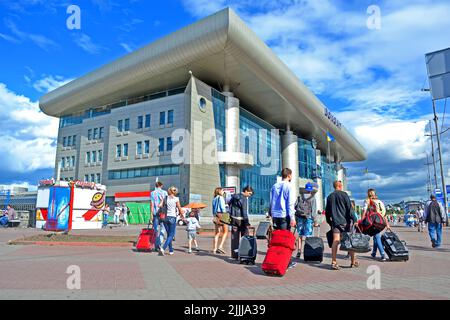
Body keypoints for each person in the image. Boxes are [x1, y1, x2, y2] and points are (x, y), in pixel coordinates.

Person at [325, 180, 359, 270]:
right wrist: (355, 219)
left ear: (334, 186)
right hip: (346, 222)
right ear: (340, 186)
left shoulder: (330, 197)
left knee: (335, 240)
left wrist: (329, 222)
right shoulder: (344, 195)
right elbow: (350, 209)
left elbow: (327, 212)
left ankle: (334, 262)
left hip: (335, 223)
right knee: (350, 241)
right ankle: (352, 262)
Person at [362, 189, 390, 262]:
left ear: (368, 194)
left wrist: (361, 220)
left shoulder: (368, 201)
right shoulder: (380, 202)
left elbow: (364, 211)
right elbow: (384, 214)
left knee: (377, 237)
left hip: (374, 222)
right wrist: (387, 224)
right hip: (381, 222)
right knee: (376, 237)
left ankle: (382, 254)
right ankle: (374, 253)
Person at [229, 186, 254, 260]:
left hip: (234, 219)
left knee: (234, 238)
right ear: (246, 191)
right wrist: (247, 223)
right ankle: (244, 254)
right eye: (249, 193)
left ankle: (234, 255)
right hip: (241, 220)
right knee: (245, 237)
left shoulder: (234, 197)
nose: (249, 196)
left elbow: (229, 205)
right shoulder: (243, 198)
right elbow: (244, 212)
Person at [159, 186, 185, 256]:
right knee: (171, 234)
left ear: (169, 191)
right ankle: (163, 248)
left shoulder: (165, 198)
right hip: (172, 218)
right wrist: (182, 215)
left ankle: (171, 250)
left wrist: (164, 206)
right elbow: (179, 208)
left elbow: (159, 205)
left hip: (165, 218)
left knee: (168, 235)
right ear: (175, 191)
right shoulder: (176, 199)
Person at [294, 182, 317, 259]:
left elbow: (295, 206)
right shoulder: (313, 198)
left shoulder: (300, 196)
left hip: (300, 218)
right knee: (308, 236)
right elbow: (314, 211)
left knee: (300, 235)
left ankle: (299, 251)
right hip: (308, 218)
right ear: (311, 190)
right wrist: (315, 221)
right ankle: (307, 252)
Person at [151, 181, 168, 252]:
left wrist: (151, 214)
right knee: (162, 229)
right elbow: (167, 203)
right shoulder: (165, 193)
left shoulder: (152, 193)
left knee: (155, 230)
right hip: (163, 213)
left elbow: (151, 204)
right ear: (161, 185)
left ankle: (156, 245)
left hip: (155, 214)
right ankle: (160, 244)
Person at [212, 187, 228, 255]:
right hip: (222, 214)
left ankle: (214, 249)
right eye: (222, 191)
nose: (223, 192)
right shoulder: (221, 198)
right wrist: (225, 213)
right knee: (225, 231)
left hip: (216, 215)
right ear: (219, 191)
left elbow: (213, 209)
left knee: (217, 233)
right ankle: (220, 246)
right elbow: (222, 208)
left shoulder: (214, 199)